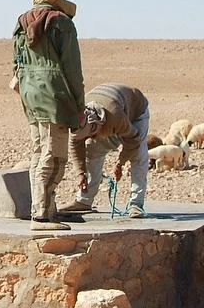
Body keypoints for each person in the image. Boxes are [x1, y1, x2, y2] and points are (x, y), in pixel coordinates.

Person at [11, 0, 85, 231]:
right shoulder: (61, 23)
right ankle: (42, 215)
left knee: (38, 152)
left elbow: (16, 64)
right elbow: (72, 70)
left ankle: (43, 208)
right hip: (55, 95)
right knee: (54, 155)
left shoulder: (21, 22)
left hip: (30, 94)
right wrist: (79, 105)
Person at [62, 83, 150, 218]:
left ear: (97, 125)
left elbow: (133, 139)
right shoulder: (77, 121)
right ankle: (84, 201)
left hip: (136, 111)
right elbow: (75, 145)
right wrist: (81, 173)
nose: (90, 138)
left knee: (138, 156)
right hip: (110, 113)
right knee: (91, 151)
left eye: (91, 135)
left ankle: (136, 204)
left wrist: (120, 163)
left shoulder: (115, 116)